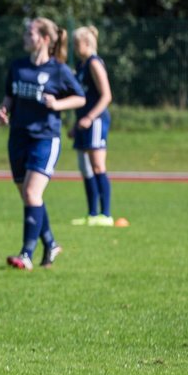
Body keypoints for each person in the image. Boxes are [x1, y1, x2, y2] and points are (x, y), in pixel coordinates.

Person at [0, 17, 86, 270]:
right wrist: (3, 111)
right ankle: (51, 243)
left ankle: (26, 254)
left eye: (30, 34)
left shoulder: (59, 70)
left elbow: (79, 98)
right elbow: (9, 97)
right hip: (18, 136)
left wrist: (58, 104)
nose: (25, 37)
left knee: (32, 193)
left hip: (45, 138)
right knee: (29, 196)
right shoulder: (18, 66)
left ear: (45, 39)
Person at [69, 25, 115, 226]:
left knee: (97, 165)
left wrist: (89, 117)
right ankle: (92, 213)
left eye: (76, 43)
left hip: (95, 121)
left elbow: (106, 96)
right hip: (82, 122)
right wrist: (76, 124)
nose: (73, 47)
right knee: (85, 168)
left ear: (87, 43)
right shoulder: (80, 66)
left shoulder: (94, 63)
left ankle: (106, 214)